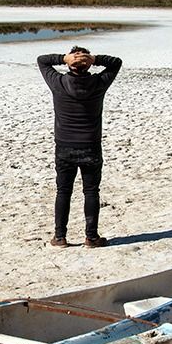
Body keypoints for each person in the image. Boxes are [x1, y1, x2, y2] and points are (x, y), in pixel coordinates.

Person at [37, 46, 123, 248]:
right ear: (87, 64)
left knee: (63, 191)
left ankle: (60, 237)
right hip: (90, 146)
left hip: (64, 146)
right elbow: (115, 62)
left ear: (70, 64)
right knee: (91, 191)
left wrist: (63, 58)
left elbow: (42, 60)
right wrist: (93, 58)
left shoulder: (58, 83)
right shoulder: (98, 83)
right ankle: (91, 237)